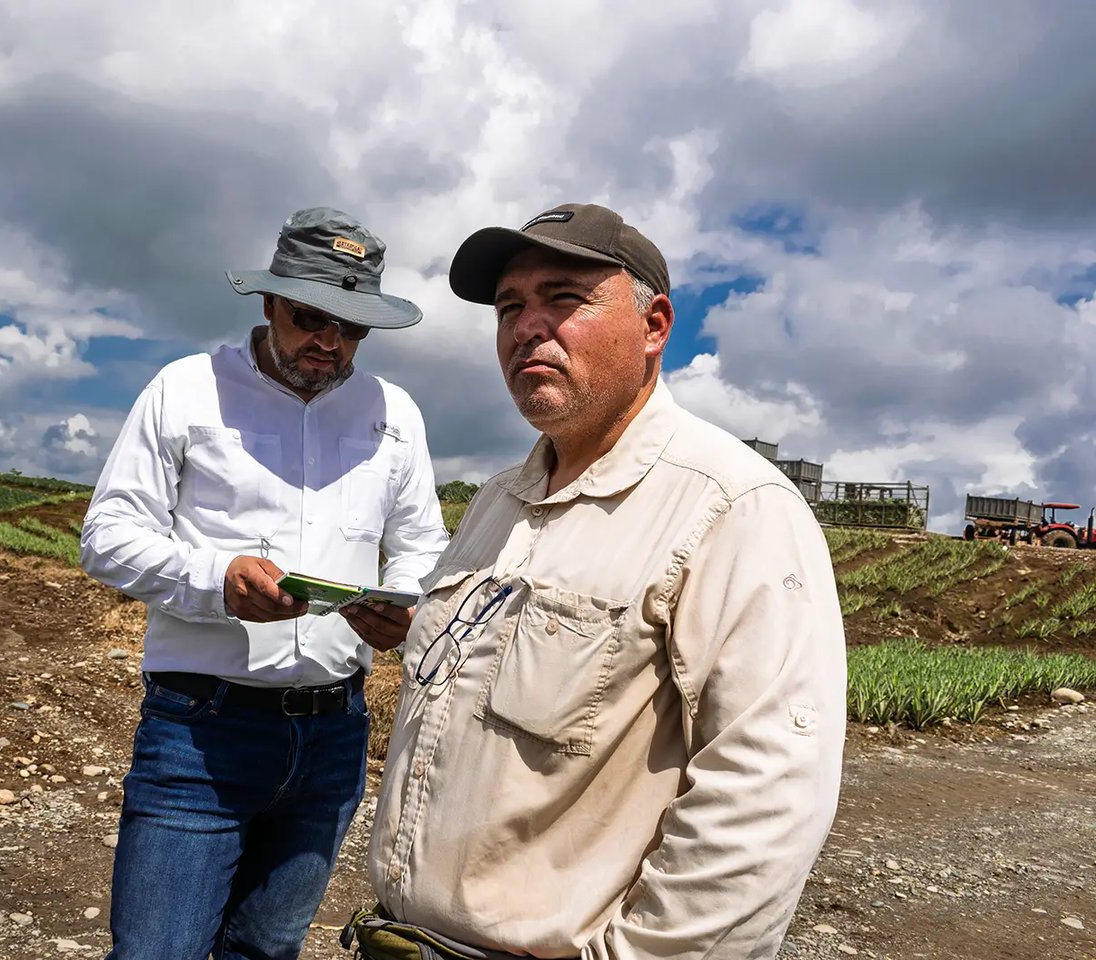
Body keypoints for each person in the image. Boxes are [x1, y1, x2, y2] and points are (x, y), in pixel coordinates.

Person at [361, 204, 846, 959]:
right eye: (509, 307)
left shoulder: (732, 507)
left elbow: (767, 800)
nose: (527, 328)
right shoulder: (496, 501)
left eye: (564, 298)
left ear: (654, 326)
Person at [82, 207, 449, 960]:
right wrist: (216, 580)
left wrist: (406, 606)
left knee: (266, 951)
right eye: (311, 318)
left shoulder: (395, 414)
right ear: (270, 301)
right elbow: (109, 536)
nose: (330, 342)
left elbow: (422, 545)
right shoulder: (186, 390)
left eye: (352, 327)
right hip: (200, 732)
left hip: (335, 736)